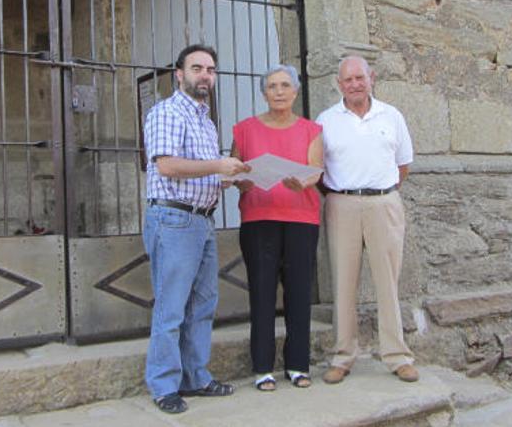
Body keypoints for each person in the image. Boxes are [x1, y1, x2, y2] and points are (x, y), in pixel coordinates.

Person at [143, 44, 250, 414]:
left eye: (210, 69)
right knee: (171, 307)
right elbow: (169, 167)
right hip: (174, 220)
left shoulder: (205, 120)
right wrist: (218, 165)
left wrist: (229, 176)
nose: (205, 75)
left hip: (202, 220)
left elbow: (202, 172)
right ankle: (163, 385)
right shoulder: (167, 112)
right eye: (197, 68)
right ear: (179, 74)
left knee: (203, 305)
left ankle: (195, 376)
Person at [317, 55, 419, 384]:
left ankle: (397, 355)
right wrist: (342, 195)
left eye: (360, 77)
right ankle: (343, 356)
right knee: (343, 282)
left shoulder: (391, 115)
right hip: (342, 204)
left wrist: (381, 192)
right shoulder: (326, 119)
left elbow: (402, 165)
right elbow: (318, 167)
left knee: (387, 282)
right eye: (348, 80)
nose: (355, 84)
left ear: (371, 77)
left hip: (383, 203)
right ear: (339, 84)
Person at [231, 64, 323, 392]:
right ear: (264, 92)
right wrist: (241, 181)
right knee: (262, 292)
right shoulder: (243, 130)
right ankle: (262, 368)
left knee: (298, 293)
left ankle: (298, 365)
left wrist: (303, 180)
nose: (279, 91)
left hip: (301, 218)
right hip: (258, 219)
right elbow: (236, 171)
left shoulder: (312, 130)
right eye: (272, 86)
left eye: (285, 85)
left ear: (296, 91)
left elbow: (316, 170)